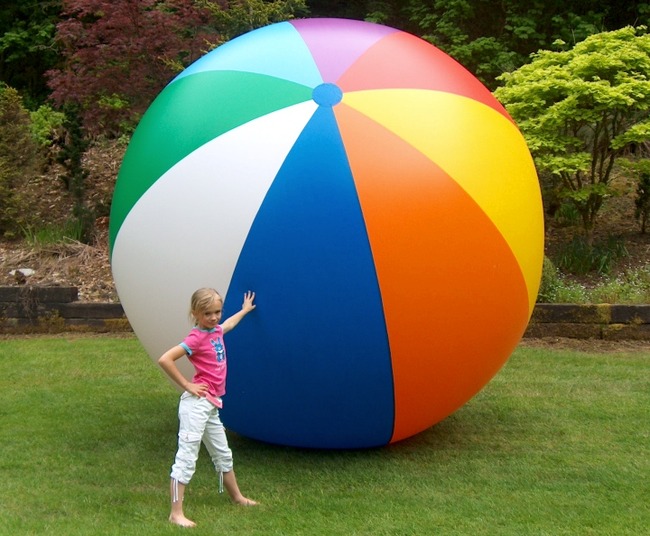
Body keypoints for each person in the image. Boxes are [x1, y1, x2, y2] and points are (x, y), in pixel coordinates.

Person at [158, 287, 258, 528]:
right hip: (196, 406)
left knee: (223, 453)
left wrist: (243, 311)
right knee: (187, 457)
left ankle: (237, 497)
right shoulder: (196, 338)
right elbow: (165, 358)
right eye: (208, 314)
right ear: (195, 313)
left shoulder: (215, 331)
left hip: (211, 404)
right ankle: (176, 513)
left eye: (217, 312)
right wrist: (186, 385)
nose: (214, 317)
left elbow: (229, 325)